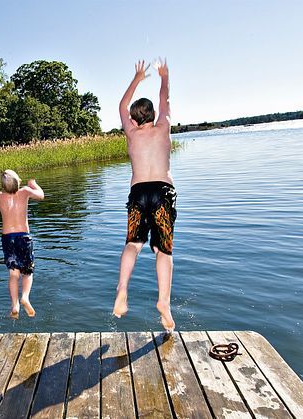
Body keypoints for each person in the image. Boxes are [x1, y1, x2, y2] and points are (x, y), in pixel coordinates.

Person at [113, 59, 177, 332]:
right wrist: (164, 76)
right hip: (162, 192)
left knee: (132, 244)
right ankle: (163, 302)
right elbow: (165, 98)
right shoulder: (163, 127)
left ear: (134, 118)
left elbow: (121, 106)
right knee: (163, 250)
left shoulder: (130, 133)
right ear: (152, 114)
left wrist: (137, 77)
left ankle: (122, 290)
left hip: (138, 192)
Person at [0, 170, 44, 319]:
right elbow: (41, 196)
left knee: (13, 274)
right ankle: (25, 297)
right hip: (23, 238)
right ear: (18, 181)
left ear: (2, 186)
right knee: (27, 272)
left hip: (8, 239)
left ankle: (15, 305)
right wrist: (34, 185)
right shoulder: (25, 192)